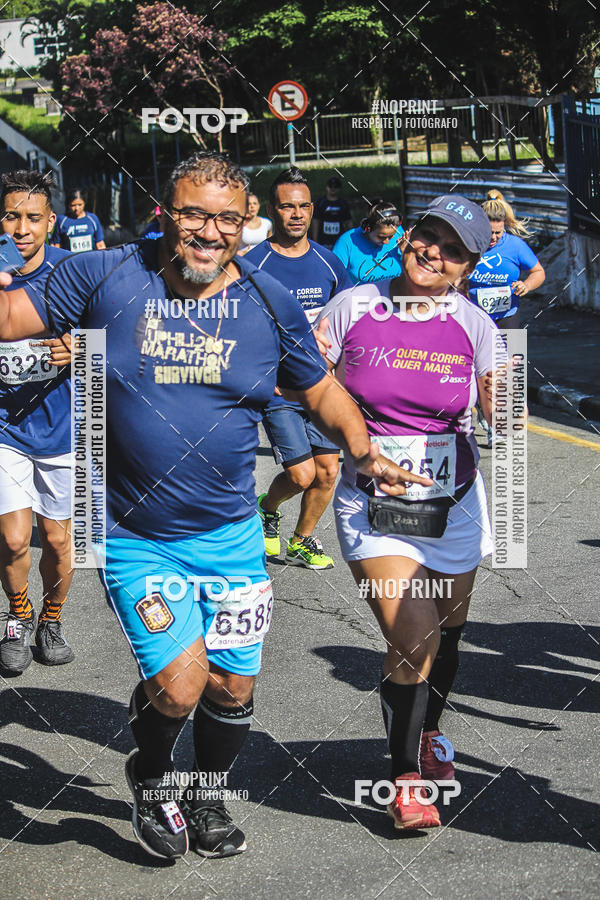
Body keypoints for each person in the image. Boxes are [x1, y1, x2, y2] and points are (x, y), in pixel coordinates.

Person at [0, 151, 426, 860]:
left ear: (245, 223)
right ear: (167, 212)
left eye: (227, 218)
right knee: (179, 686)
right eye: (195, 213)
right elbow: (12, 314)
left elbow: (318, 388)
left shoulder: (265, 300)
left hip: (229, 538)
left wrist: (361, 445)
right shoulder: (105, 273)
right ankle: (152, 774)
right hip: (136, 534)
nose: (209, 231)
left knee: (232, 687)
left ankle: (203, 795)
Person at [318, 194, 504, 831]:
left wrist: (498, 403)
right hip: (376, 503)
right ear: (407, 237)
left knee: (448, 629)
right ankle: (404, 781)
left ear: (467, 268)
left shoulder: (475, 324)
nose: (434, 253)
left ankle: (428, 736)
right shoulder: (354, 306)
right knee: (413, 632)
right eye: (428, 237)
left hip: (452, 503)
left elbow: (500, 411)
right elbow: (309, 384)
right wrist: (345, 438)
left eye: (453, 250)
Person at [247, 167, 352, 570]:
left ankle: (303, 539)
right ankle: (267, 507)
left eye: (303, 206)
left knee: (327, 473)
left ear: (313, 209)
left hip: (322, 387)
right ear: (273, 210)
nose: (296, 214)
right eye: (287, 206)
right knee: (301, 474)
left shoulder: (328, 264)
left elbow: (348, 324)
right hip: (279, 390)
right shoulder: (253, 264)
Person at [0, 170, 75, 674]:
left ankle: (52, 619)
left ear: (51, 221)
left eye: (32, 218)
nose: (21, 228)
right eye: (10, 217)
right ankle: (16, 617)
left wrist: (81, 348)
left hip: (69, 429)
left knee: (60, 540)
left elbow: (124, 333)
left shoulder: (76, 272)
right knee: (11, 538)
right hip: (5, 428)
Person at [467, 189, 545, 329]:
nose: (493, 237)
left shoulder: (516, 245)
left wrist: (526, 285)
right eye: (489, 232)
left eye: (498, 232)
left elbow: (538, 272)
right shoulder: (467, 244)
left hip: (508, 316)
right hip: (473, 317)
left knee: (515, 351)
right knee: (472, 352)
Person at [332, 200, 404, 283]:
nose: (386, 242)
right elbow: (333, 278)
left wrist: (406, 252)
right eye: (381, 237)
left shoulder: (399, 235)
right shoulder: (347, 242)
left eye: (391, 236)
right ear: (368, 229)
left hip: (394, 295)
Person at [311, 176, 352, 250]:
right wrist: (315, 240)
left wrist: (350, 240)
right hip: (323, 241)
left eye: (335, 187)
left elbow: (348, 222)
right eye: (330, 186)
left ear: (339, 188)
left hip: (339, 241)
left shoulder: (343, 204)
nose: (333, 189)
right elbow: (315, 222)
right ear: (327, 187)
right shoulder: (320, 203)